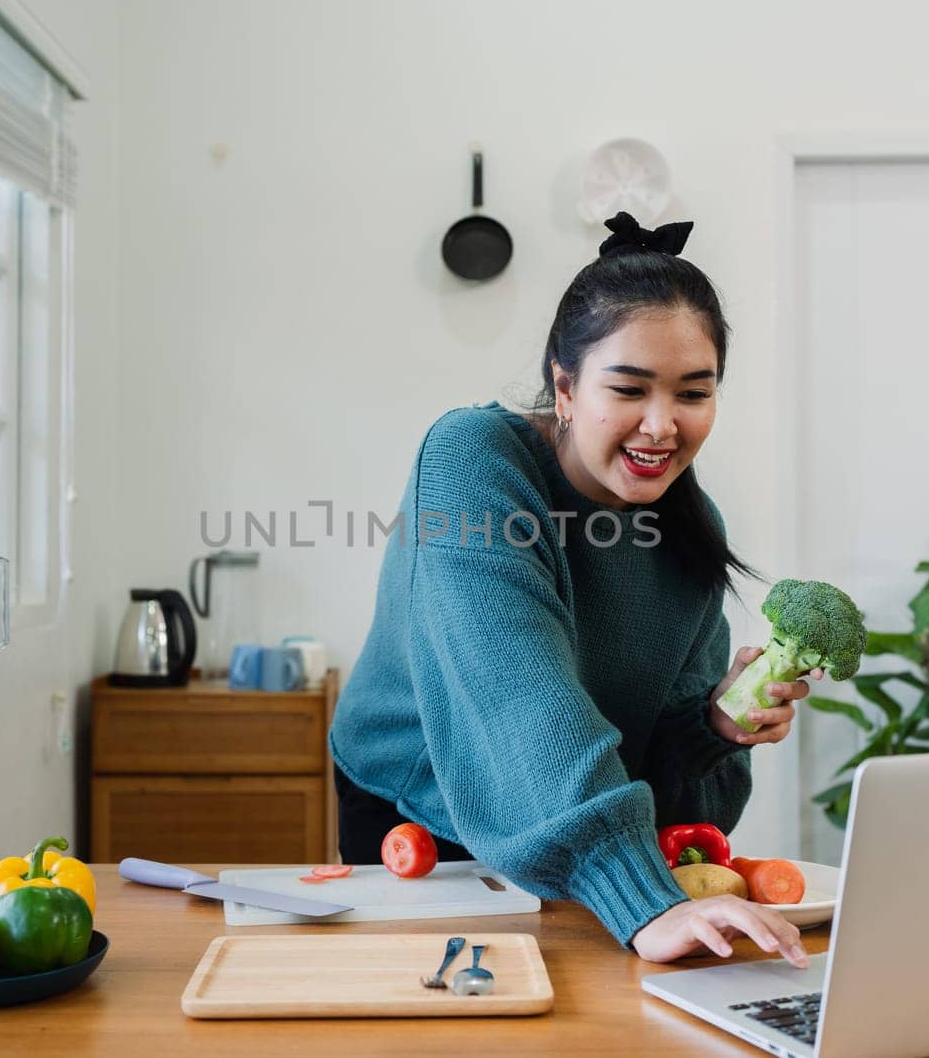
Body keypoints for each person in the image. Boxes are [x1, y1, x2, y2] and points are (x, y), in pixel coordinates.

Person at [329, 212, 817, 966]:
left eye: (694, 393)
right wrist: (639, 898)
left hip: (581, 814)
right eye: (629, 388)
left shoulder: (688, 525)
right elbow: (517, 698)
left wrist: (713, 728)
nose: (661, 426)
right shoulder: (474, 461)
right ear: (564, 384)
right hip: (426, 815)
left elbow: (663, 775)